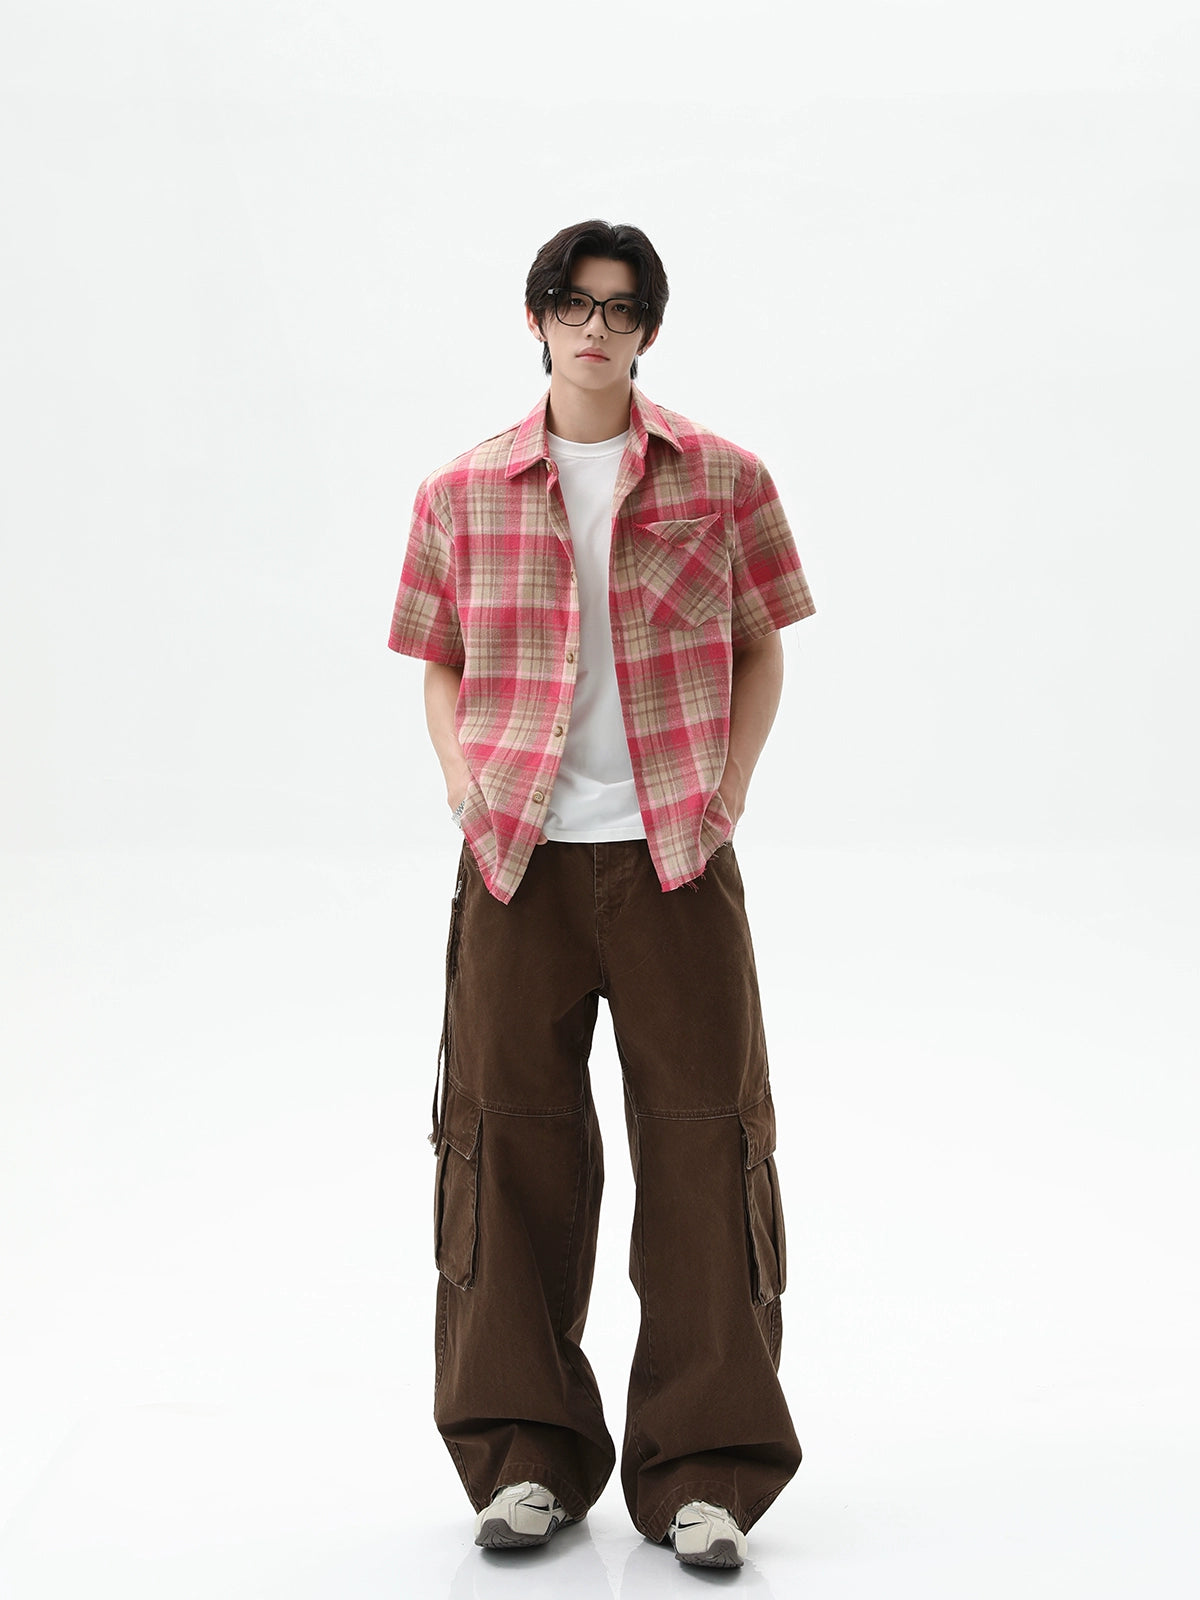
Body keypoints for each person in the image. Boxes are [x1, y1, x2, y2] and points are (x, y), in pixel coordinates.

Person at [387, 219, 815, 1570]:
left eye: (620, 309)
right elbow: (439, 658)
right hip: (516, 862)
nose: (595, 328)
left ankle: (707, 1473)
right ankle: (524, 1460)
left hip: (675, 858)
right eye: (573, 304)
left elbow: (761, 647)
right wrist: (462, 781)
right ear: (537, 318)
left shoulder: (723, 476)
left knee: (705, 1148)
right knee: (503, 1146)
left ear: (648, 330)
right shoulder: (462, 489)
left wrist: (725, 792)